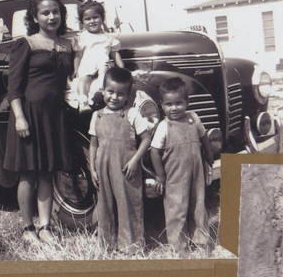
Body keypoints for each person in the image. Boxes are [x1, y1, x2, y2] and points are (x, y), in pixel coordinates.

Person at [3, 0, 76, 244]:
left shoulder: (68, 45)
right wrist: (20, 117)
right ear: (35, 16)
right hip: (30, 115)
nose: (51, 16)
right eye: (45, 12)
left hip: (54, 117)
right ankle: (27, 229)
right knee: (28, 174)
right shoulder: (27, 43)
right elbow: (13, 87)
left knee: (47, 172)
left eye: (56, 11)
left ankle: (45, 227)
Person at [88, 67, 156, 253]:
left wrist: (135, 161)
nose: (114, 97)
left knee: (129, 204)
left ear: (127, 96)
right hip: (102, 168)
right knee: (105, 205)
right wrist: (92, 169)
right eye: (110, 92)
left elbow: (146, 139)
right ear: (102, 91)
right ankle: (107, 244)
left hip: (126, 167)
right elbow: (93, 144)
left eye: (120, 94)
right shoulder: (97, 115)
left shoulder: (132, 114)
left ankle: (131, 245)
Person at [150, 77, 213, 254]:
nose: (174, 108)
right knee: (176, 208)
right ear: (162, 105)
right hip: (175, 175)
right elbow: (154, 151)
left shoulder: (193, 118)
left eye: (178, 103)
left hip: (196, 172)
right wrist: (160, 175)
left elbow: (203, 137)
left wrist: (209, 156)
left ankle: (200, 241)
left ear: (187, 102)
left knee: (198, 205)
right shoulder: (164, 126)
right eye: (169, 104)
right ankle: (179, 246)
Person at [73, 0, 124, 112]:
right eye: (87, 19)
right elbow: (78, 55)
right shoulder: (82, 37)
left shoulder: (108, 38)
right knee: (84, 78)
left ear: (102, 18)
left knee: (104, 71)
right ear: (82, 22)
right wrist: (76, 69)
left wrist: (122, 69)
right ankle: (83, 101)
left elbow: (115, 54)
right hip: (87, 64)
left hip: (103, 63)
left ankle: (100, 91)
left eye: (95, 17)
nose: (92, 21)